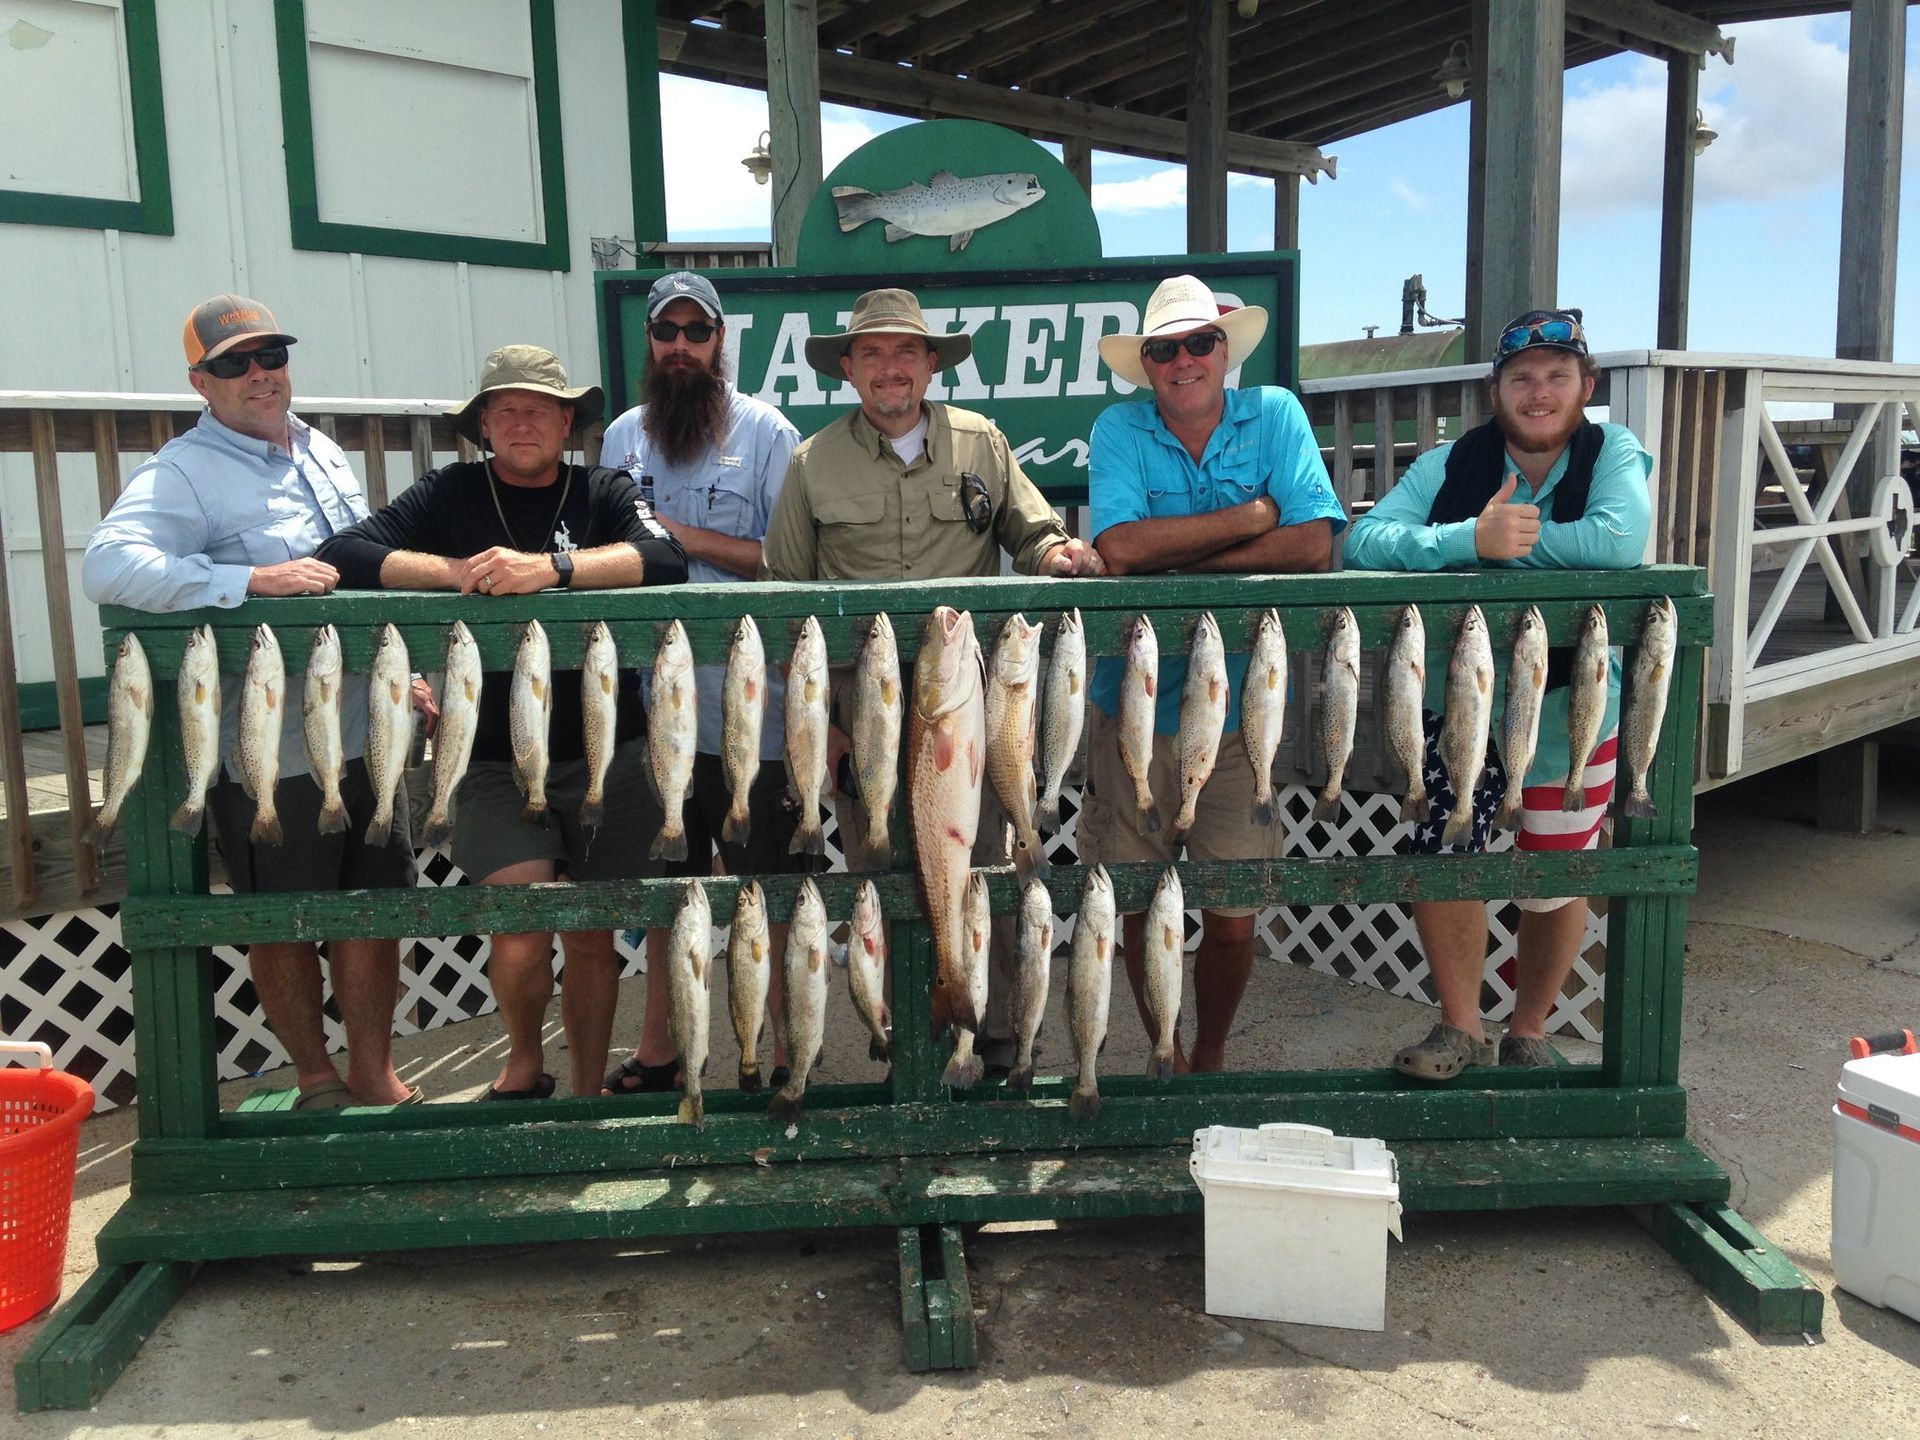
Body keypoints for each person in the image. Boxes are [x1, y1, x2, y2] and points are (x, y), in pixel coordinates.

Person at [316, 345, 689, 1099]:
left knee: (591, 931)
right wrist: (452, 572)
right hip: (482, 752)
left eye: (541, 409)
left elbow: (668, 556)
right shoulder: (447, 492)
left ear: (566, 422)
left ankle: (586, 1091)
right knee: (519, 923)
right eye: (507, 409)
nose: (524, 422)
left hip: (607, 748)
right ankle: (524, 1065)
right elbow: (344, 553)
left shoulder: (603, 489)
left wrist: (549, 570)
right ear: (484, 423)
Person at [82, 293, 418, 1110]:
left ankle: (373, 1071)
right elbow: (108, 564)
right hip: (273, 749)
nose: (260, 375)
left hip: (368, 725)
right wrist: (246, 581)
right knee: (284, 921)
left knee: (375, 909)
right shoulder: (182, 472)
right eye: (235, 363)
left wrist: (407, 673)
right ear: (202, 382)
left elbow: (361, 570)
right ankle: (315, 1077)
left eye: (271, 356)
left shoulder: (322, 450)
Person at [760, 287, 1103, 1075]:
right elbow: (783, 606)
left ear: (931, 364)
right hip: (868, 721)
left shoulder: (983, 444)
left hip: (972, 719)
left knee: (986, 873)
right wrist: (829, 733)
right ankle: (907, 1052)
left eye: (906, 352)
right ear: (846, 368)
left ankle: (1004, 1045)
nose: (890, 369)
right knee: (879, 885)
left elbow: (1036, 534)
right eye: (873, 353)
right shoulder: (813, 465)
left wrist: (1060, 557)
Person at [1343, 306, 1653, 1078]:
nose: (1539, 392)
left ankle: (1531, 1028)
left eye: (1556, 376)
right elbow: (1363, 539)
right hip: (1465, 709)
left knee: (1560, 873)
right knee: (1448, 854)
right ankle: (1459, 1028)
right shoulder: (1451, 462)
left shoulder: (1614, 449)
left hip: (1575, 712)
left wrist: (1506, 547)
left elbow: (1619, 540)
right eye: (1522, 378)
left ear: (1587, 385)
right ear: (1496, 390)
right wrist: (1463, 541)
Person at [1084, 272, 1347, 1073]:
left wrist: (1186, 553)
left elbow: (1316, 544)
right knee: (1137, 905)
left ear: (1224, 349)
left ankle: (1210, 1051)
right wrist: (1252, 517)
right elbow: (1121, 549)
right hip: (1125, 707)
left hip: (1243, 722)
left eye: (1199, 342)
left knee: (1234, 913)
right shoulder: (1118, 427)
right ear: (1147, 364)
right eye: (1165, 349)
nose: (1184, 360)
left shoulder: (1276, 414)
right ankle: (1161, 1043)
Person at [597, 272, 804, 1095]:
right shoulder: (620, 438)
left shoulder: (768, 433)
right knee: (665, 895)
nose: (680, 346)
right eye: (666, 332)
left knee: (770, 897)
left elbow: (787, 564)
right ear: (649, 342)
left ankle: (782, 1048)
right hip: (651, 715)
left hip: (754, 715)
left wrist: (674, 539)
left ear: (721, 340)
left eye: (696, 330)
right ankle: (662, 1049)